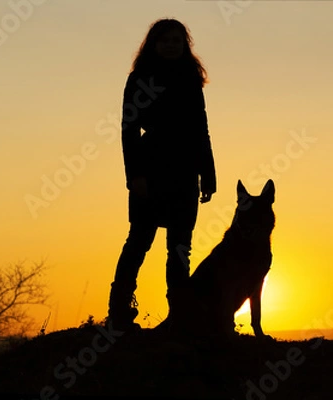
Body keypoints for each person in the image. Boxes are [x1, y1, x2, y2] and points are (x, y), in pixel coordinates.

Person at [106, 18, 216, 331]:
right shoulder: (140, 78)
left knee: (180, 247)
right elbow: (128, 129)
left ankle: (179, 314)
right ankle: (119, 312)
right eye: (165, 40)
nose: (171, 45)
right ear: (154, 43)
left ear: (185, 45)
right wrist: (135, 176)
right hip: (151, 166)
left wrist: (208, 175)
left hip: (185, 170)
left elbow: (201, 129)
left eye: (177, 41)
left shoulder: (191, 78)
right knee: (139, 240)